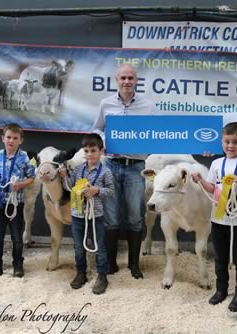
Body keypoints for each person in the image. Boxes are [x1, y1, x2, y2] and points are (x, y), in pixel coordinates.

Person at [92, 64, 158, 279]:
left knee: (136, 217)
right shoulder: (106, 103)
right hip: (111, 166)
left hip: (136, 168)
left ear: (136, 80)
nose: (127, 81)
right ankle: (111, 264)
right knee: (110, 218)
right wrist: (105, 140)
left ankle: (134, 265)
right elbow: (97, 128)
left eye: (130, 78)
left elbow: (161, 132)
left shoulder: (148, 106)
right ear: (116, 80)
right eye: (123, 78)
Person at [192, 122, 237, 312]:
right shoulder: (216, 163)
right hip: (218, 217)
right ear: (221, 142)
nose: (230, 146)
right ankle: (221, 289)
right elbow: (212, 188)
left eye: (235, 142)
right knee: (220, 256)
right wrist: (200, 181)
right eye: (227, 142)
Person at [60, 133, 115, 294]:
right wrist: (65, 177)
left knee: (99, 246)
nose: (89, 154)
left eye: (93, 150)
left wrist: (96, 190)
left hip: (95, 215)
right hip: (77, 215)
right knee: (78, 247)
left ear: (101, 151)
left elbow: (111, 191)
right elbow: (70, 187)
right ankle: (80, 273)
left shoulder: (106, 172)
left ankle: (102, 275)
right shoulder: (78, 170)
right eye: (86, 151)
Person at [0, 123, 35, 279]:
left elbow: (32, 177)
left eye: (15, 138)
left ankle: (18, 266)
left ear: (21, 140)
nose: (11, 141)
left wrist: (20, 185)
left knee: (17, 238)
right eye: (8, 137)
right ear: (3, 139)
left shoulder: (25, 158)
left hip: (15, 203)